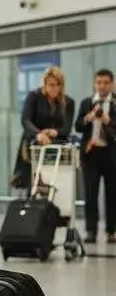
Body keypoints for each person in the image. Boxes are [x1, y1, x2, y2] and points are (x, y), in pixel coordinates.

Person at [13, 66, 74, 190]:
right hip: (33, 144)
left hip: (56, 145)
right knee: (33, 184)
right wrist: (38, 134)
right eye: (51, 85)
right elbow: (25, 120)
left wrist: (53, 132)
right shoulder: (34, 96)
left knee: (55, 183)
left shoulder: (68, 102)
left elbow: (66, 129)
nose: (54, 88)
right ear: (45, 84)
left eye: (58, 85)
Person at [76, 68, 116, 245]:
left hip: (111, 154)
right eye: (99, 82)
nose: (102, 86)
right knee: (90, 194)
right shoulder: (86, 103)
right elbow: (77, 126)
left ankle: (111, 231)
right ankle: (91, 231)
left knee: (112, 194)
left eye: (106, 82)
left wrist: (109, 121)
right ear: (95, 83)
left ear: (112, 84)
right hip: (90, 154)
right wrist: (88, 118)